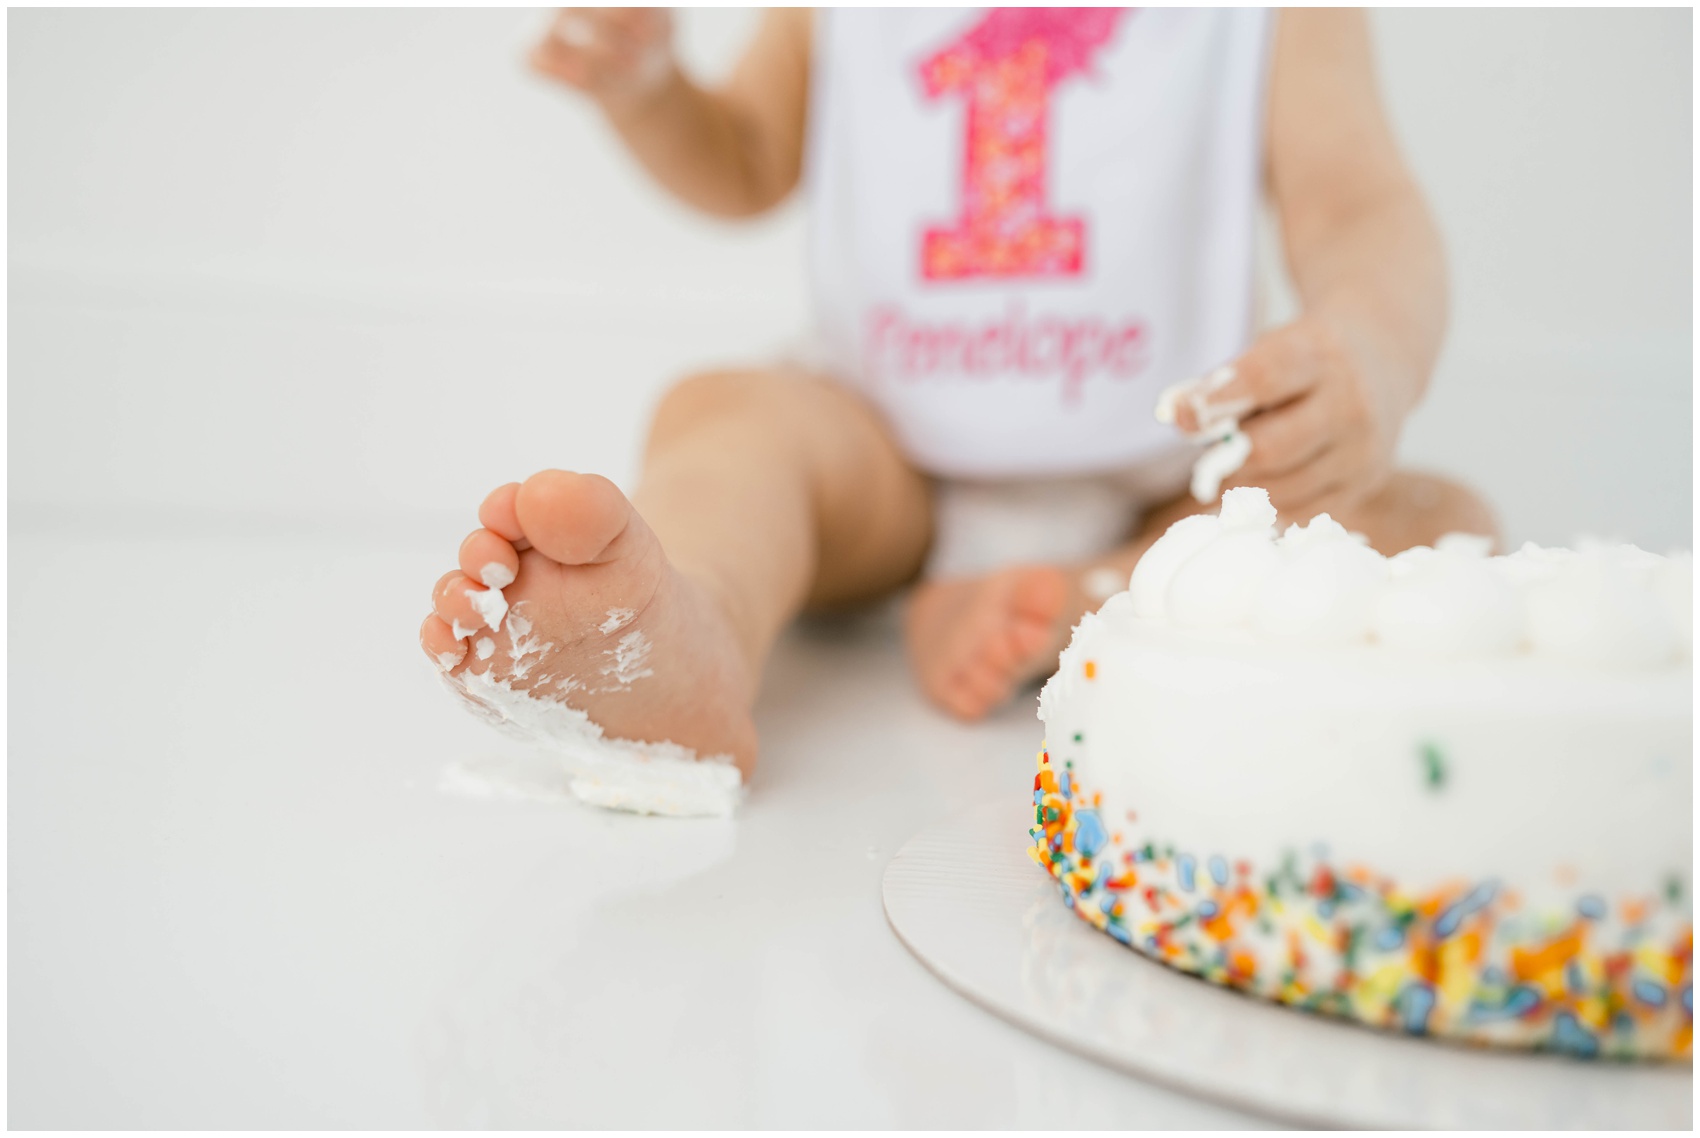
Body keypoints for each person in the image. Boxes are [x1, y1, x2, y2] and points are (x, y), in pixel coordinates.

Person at [420, 8, 1496, 777]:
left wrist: (1370, 348)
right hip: (885, 461)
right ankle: (692, 623)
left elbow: (1357, 202)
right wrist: (651, 94)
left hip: (1168, 479)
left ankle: (1075, 594)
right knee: (728, 415)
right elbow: (745, 158)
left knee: (1432, 523)